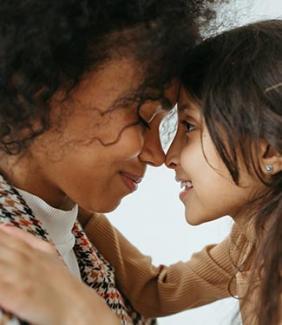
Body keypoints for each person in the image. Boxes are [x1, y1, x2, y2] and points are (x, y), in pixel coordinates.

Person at [2, 19, 280, 325]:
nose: (166, 156)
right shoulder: (250, 243)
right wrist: (68, 203)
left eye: (189, 126)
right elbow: (157, 292)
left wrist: (83, 317)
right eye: (146, 119)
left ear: (270, 151)